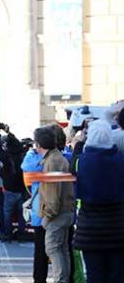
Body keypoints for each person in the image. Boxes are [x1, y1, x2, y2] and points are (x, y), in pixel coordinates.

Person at [73, 120, 124, 283]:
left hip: (90, 231)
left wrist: (78, 143)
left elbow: (72, 168)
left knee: (95, 276)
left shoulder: (82, 160)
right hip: (118, 229)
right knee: (117, 276)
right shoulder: (121, 160)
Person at [34, 126, 75, 283]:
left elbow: (52, 194)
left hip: (57, 214)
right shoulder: (57, 158)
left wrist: (47, 216)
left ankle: (60, 280)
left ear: (39, 144)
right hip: (65, 212)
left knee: (53, 248)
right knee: (62, 249)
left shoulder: (52, 162)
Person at [0, 123, 27, 242]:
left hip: (9, 190)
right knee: (21, 213)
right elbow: (17, 143)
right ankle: (21, 233)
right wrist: (9, 133)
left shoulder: (7, 157)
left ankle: (8, 234)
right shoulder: (24, 156)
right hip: (22, 189)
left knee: (7, 213)